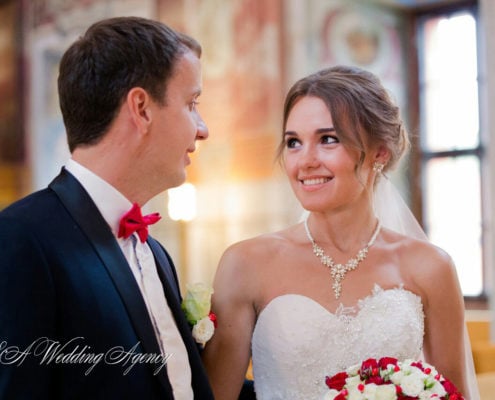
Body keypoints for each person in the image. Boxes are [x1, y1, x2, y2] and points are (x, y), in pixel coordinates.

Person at [202, 65, 480, 400]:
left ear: (379, 152)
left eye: (328, 140)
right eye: (293, 143)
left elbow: (453, 394)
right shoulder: (245, 263)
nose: (305, 161)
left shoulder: (431, 267)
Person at [0, 17, 214, 399]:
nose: (203, 128)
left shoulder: (155, 253)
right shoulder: (21, 240)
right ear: (141, 109)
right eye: (191, 104)